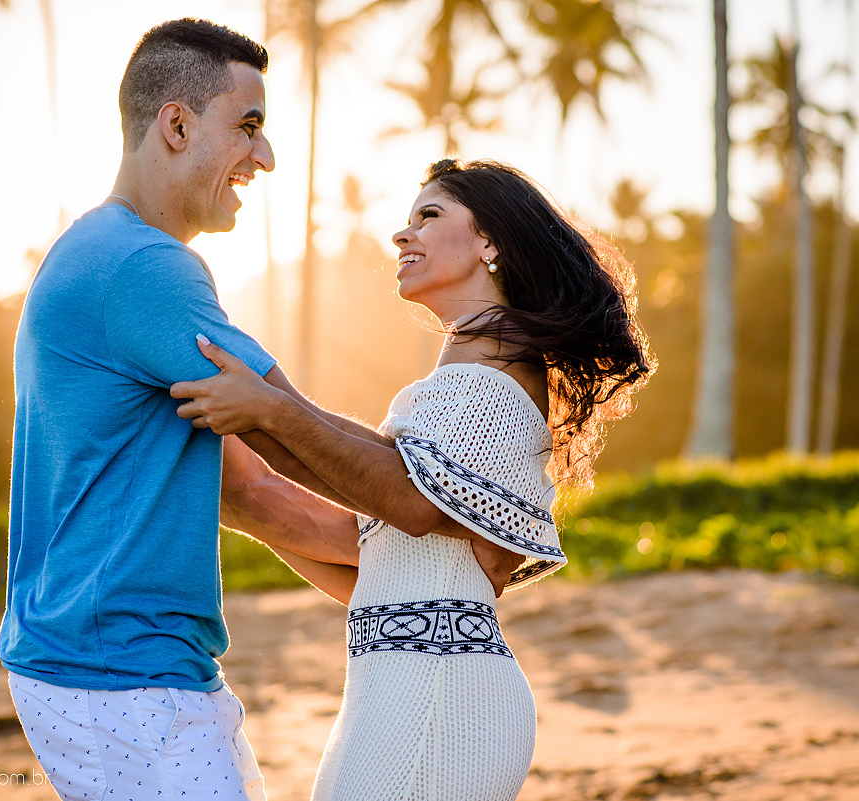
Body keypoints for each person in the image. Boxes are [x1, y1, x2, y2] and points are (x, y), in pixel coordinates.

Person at [0, 19, 523, 801]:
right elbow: (288, 423)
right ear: (176, 125)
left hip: (120, 665)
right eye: (248, 127)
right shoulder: (146, 267)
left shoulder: (102, 252)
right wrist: (437, 525)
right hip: (121, 675)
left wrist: (415, 578)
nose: (265, 155)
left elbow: (246, 490)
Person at [171, 158, 657, 800]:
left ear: (491, 242)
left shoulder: (496, 355)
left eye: (429, 216)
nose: (402, 235)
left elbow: (410, 504)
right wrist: (247, 489)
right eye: (406, 221)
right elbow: (380, 563)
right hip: (410, 685)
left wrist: (269, 409)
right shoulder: (471, 362)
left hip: (439, 697)